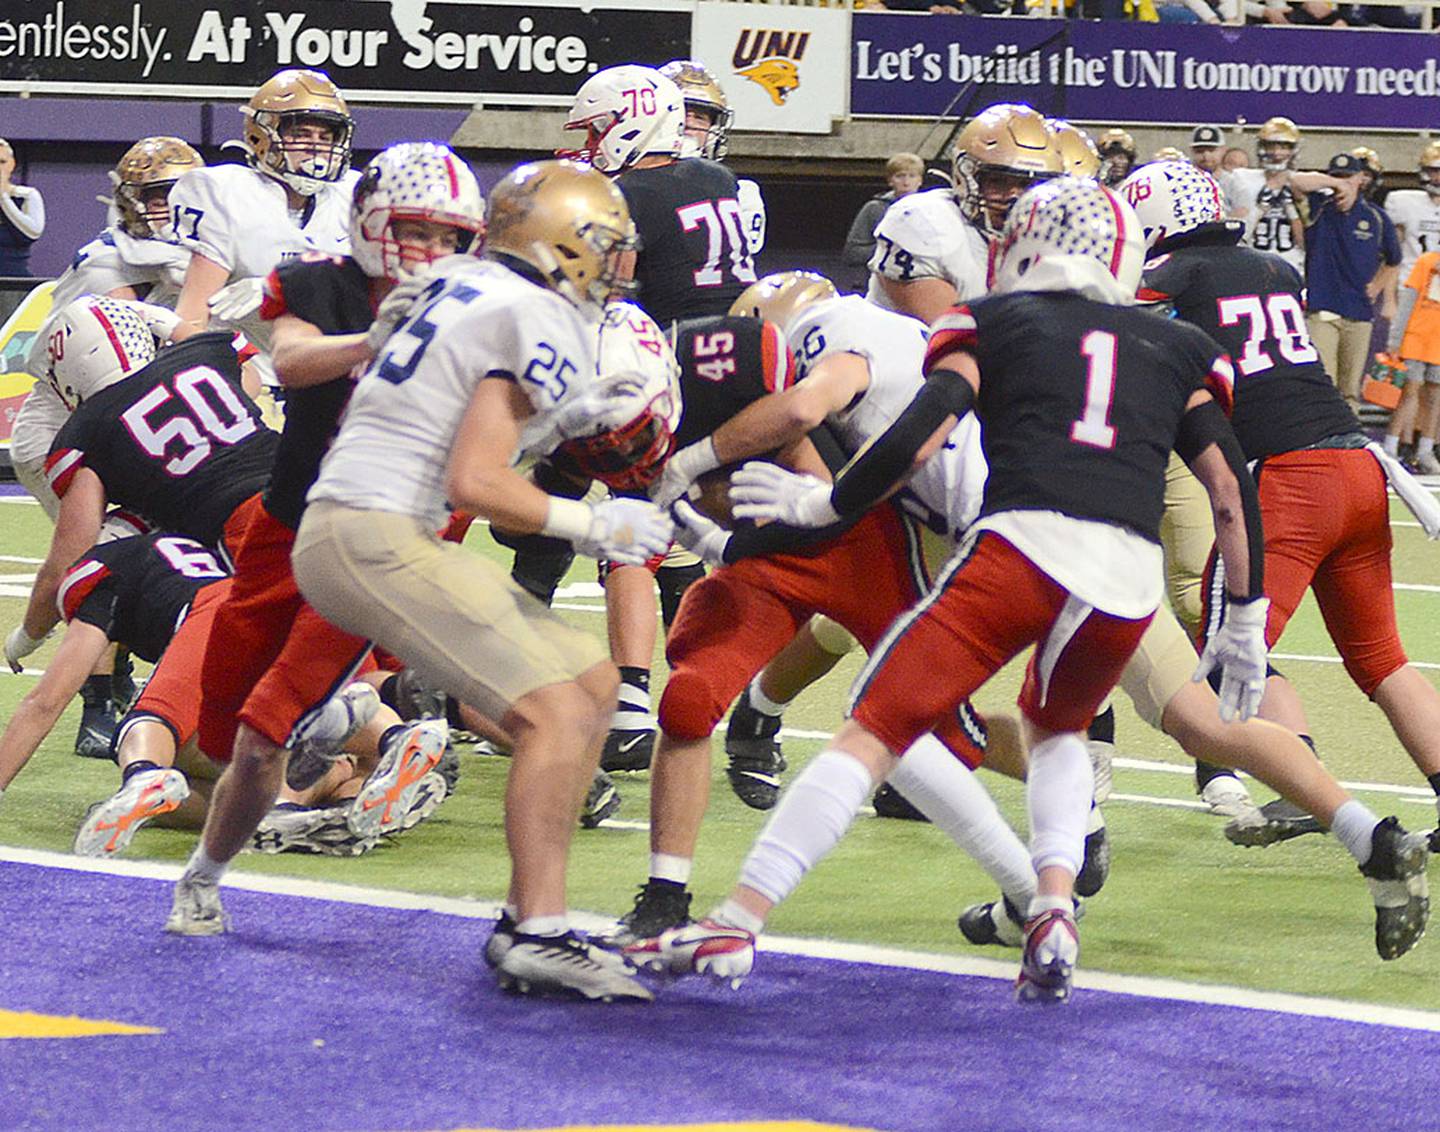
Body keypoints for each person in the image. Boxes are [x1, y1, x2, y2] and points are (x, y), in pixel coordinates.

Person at [629, 176, 1274, 1004]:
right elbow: (1229, 490)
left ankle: (739, 916)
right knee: (1059, 731)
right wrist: (1246, 619)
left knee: (873, 727)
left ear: (1022, 244)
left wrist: (822, 500)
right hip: (1124, 578)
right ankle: (1050, 903)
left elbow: (916, 433)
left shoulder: (987, 320)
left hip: (1015, 542)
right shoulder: (1177, 344)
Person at [282, 160, 674, 1002]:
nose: (617, 262)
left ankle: (537, 919)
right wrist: (597, 522)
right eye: (604, 244)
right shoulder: (539, 312)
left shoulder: (463, 282)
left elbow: (461, 418)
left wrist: (571, 417)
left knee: (598, 685)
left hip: (359, 518)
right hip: (371, 531)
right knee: (558, 711)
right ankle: (535, 931)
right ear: (562, 243)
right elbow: (480, 486)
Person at [604, 270, 1040, 947]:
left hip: (865, 544)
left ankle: (1068, 799)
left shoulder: (785, 356)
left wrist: (692, 479)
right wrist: (676, 518)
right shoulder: (632, 410)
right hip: (769, 562)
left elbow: (810, 452)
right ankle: (665, 892)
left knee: (944, 735)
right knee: (689, 700)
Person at [1122, 158, 1433, 958]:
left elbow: (1123, 334)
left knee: (1228, 650)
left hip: (1286, 477)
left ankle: (1303, 782)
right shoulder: (1270, 264)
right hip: (1356, 464)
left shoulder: (1170, 270)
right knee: (1384, 659)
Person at [173, 143, 488, 908]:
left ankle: (211, 873)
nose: (436, 251)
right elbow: (292, 362)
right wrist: (375, 340)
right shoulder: (318, 280)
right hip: (290, 524)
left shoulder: (479, 303)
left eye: (452, 237)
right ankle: (340, 727)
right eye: (421, 230)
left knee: (268, 717)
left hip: (385, 532)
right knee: (220, 728)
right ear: (374, 220)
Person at [557, 63, 755, 772]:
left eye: (598, 127)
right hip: (739, 363)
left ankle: (634, 701)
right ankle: (751, 696)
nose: (590, 142)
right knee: (730, 530)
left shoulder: (625, 193)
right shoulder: (721, 182)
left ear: (631, 121)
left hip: (666, 366)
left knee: (631, 529)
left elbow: (612, 285)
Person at [12, 135, 202, 758]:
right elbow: (129, 374)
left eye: (182, 197)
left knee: (156, 549)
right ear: (126, 200)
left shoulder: (204, 258)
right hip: (70, 426)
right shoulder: (106, 262)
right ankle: (99, 702)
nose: (168, 209)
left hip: (137, 420)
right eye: (154, 196)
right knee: (112, 552)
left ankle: (121, 682)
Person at [4, 297, 278, 677]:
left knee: (271, 663)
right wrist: (169, 323)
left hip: (242, 530)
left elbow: (70, 558)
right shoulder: (202, 354)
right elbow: (250, 381)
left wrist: (27, 636)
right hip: (304, 482)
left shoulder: (86, 431)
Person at [168, 68, 358, 389]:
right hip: (246, 379)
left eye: (325, 137)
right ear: (262, 135)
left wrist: (283, 288)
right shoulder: (225, 193)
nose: (315, 148)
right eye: (302, 134)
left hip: (326, 377)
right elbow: (193, 316)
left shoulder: (352, 196)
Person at [867, 102, 1061, 323]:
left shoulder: (1047, 240)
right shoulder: (923, 220)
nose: (1015, 198)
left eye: (1027, 185)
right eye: (998, 181)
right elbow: (954, 332)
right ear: (967, 177)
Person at [1304, 151, 1401, 412]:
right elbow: (1296, 181)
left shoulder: (1376, 217)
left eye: (1348, 176)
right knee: (1324, 382)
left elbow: (1394, 259)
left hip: (1359, 312)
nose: (1342, 182)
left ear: (1361, 179)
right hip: (1322, 308)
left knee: (1350, 388)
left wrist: (1378, 286)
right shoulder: (1318, 208)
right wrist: (1334, 184)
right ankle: (1323, 442)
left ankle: (1350, 446)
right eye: (1336, 176)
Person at [659, 59, 767, 258]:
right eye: (682, 112)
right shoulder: (626, 183)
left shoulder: (739, 194)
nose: (690, 123)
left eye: (700, 117)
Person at [1380, 143, 1440, 468]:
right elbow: (1394, 253)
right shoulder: (1405, 202)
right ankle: (1399, 445)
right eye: (1434, 170)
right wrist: (1390, 299)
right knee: (1410, 384)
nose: (1438, 177)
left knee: (1435, 387)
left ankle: (1426, 448)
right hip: (1414, 297)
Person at [842, 153, 924, 292]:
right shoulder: (874, 209)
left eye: (912, 176)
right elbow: (852, 253)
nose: (906, 182)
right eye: (900, 176)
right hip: (879, 285)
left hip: (920, 284)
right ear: (890, 180)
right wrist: (890, 249)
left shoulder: (932, 209)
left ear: (920, 180)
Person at [0, 139, 44, 277]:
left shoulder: (27, 195)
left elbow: (31, 233)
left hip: (14, 283)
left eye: (2, 162)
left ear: (12, 164)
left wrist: (3, 197)